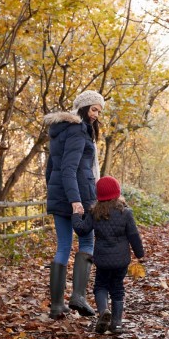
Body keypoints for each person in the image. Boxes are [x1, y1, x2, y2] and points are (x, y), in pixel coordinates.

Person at [44, 90, 104, 319]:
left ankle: (57, 306)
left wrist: (56, 195)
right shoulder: (79, 132)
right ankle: (78, 296)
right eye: (93, 109)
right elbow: (70, 169)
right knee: (87, 240)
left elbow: (51, 170)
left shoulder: (59, 132)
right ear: (83, 107)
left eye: (99, 110)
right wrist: (75, 201)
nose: (96, 114)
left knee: (63, 246)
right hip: (77, 195)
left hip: (60, 195)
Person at [72, 176, 145, 334]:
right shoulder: (126, 213)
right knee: (117, 289)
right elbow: (134, 235)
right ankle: (117, 323)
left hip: (102, 260)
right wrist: (140, 254)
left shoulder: (94, 213)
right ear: (118, 193)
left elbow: (82, 230)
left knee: (101, 286)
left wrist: (76, 215)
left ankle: (104, 311)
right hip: (121, 261)